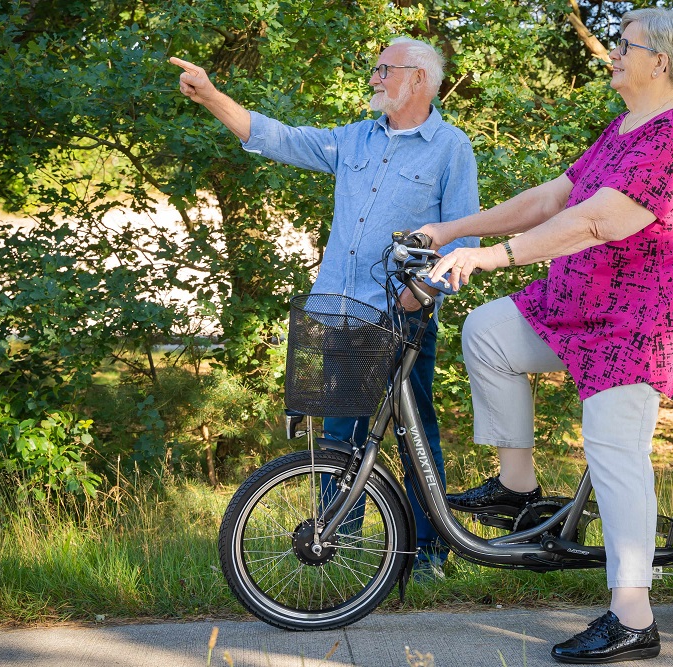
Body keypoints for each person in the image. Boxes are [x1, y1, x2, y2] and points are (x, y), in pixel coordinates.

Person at [415, 7, 673, 663]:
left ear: (658, 61)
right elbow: (554, 198)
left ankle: (634, 618)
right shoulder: (625, 128)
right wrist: (450, 231)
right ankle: (519, 492)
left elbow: (598, 222)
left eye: (623, 43)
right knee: (490, 331)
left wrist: (493, 257)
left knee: (614, 445)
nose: (612, 52)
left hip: (643, 320)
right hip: (582, 303)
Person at [171, 37, 479, 580]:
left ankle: (431, 553)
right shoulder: (354, 138)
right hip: (342, 310)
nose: (375, 78)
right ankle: (341, 545)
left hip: (404, 314)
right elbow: (278, 139)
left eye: (385, 69)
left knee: (414, 434)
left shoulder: (451, 148)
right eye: (376, 67)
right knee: (339, 435)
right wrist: (213, 97)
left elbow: (462, 237)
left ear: (419, 80)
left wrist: (419, 296)